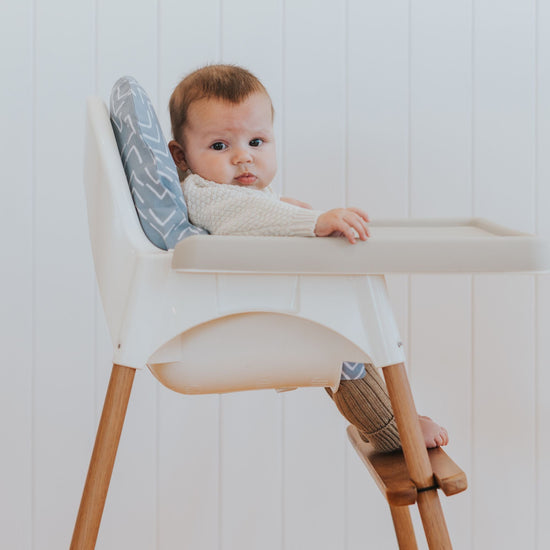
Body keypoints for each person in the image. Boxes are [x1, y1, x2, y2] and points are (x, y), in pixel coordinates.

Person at [168, 64, 448, 451]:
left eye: (257, 142)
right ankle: (390, 428)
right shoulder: (201, 191)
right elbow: (242, 217)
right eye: (220, 146)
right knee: (342, 345)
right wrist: (312, 221)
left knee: (351, 334)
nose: (243, 158)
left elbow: (250, 211)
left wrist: (283, 208)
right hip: (242, 320)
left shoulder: (231, 192)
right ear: (181, 156)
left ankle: (395, 413)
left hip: (259, 308)